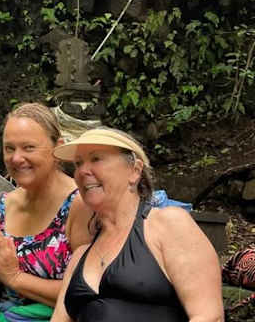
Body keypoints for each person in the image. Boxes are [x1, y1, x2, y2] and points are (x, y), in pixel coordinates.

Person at [50, 127, 224, 321]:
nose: (82, 171)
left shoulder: (168, 225)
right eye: (78, 163)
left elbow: (209, 316)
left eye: (96, 159)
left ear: (134, 170)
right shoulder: (79, 257)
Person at [0, 103, 92, 322]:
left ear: (58, 148)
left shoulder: (80, 204)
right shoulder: (5, 206)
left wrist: (14, 277)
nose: (16, 158)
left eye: (28, 147)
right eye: (9, 148)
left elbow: (87, 291)